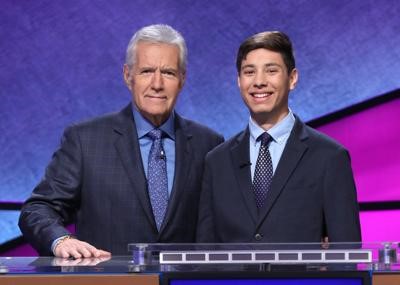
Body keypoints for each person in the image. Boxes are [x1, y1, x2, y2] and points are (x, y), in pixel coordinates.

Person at [19, 24, 224, 258]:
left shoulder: (209, 143)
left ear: (182, 79)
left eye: (168, 72)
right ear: (128, 76)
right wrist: (61, 240)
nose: (157, 84)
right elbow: (38, 209)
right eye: (146, 71)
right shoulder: (85, 140)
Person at [196, 31, 361, 243]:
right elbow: (204, 252)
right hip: (235, 278)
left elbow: (345, 253)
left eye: (271, 71)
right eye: (249, 72)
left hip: (300, 278)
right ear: (239, 81)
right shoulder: (217, 161)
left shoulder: (329, 157)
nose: (259, 82)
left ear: (292, 79)